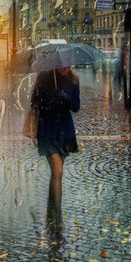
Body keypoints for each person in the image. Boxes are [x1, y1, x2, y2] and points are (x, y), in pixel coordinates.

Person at [30, 66, 81, 214]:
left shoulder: (73, 80)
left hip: (65, 130)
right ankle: (57, 216)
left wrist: (65, 96)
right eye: (62, 65)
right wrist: (50, 98)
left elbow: (76, 107)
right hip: (47, 129)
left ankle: (51, 210)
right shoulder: (44, 78)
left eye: (68, 64)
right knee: (58, 171)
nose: (65, 68)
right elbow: (34, 103)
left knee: (56, 173)